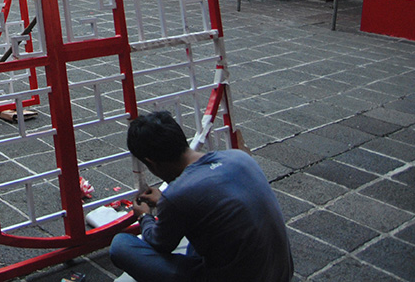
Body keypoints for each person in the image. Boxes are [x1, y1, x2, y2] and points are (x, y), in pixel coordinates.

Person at [110, 111, 293, 282]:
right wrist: (166, 202)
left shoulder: (177, 196)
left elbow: (159, 243)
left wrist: (144, 216)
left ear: (151, 162)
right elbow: (208, 193)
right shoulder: (238, 157)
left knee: (121, 245)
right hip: (280, 273)